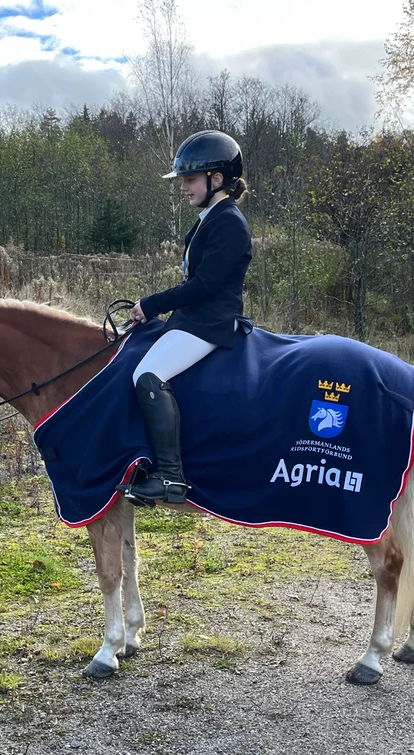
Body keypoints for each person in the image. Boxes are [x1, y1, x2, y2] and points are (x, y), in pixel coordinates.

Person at [119, 129, 253, 505]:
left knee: (147, 376)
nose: (183, 187)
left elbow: (205, 284)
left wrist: (153, 304)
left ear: (217, 179)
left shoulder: (229, 222)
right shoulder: (210, 217)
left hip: (210, 322)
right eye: (183, 181)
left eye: (190, 180)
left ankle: (170, 478)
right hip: (192, 318)